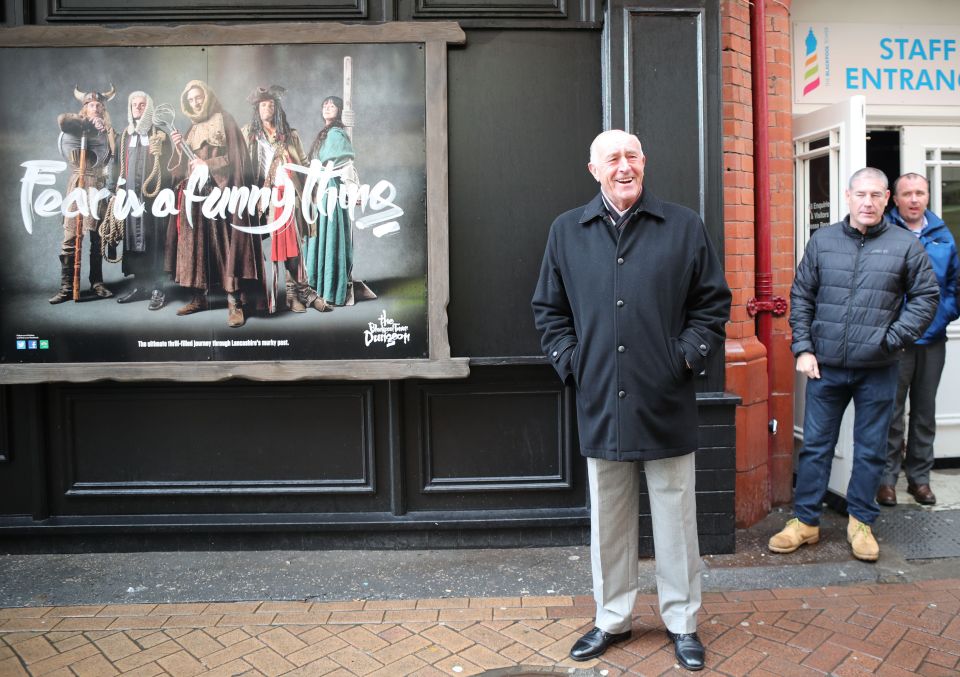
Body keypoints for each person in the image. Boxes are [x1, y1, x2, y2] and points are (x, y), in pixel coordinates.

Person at [532, 130, 731, 671]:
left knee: (675, 517)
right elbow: (548, 310)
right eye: (612, 158)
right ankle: (613, 618)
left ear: (645, 163)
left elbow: (712, 303)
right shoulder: (567, 231)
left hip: (666, 394)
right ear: (593, 168)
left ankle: (683, 621)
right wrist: (572, 361)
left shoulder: (683, 225)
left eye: (633, 157)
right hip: (600, 397)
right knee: (609, 520)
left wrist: (685, 357)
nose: (624, 167)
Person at [769, 167, 939, 563]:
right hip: (824, 366)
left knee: (870, 450)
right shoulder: (823, 241)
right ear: (847, 197)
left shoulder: (904, 245)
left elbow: (926, 297)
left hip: (878, 367)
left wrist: (893, 339)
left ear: (886, 200)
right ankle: (806, 522)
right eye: (861, 194)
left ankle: (861, 522)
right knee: (815, 447)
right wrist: (804, 348)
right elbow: (803, 296)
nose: (868, 202)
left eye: (877, 195)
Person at [877, 173, 960, 507]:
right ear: (894, 200)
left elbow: (954, 287)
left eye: (920, 193)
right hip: (895, 340)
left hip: (933, 339)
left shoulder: (943, 236)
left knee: (925, 412)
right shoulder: (885, 232)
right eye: (907, 194)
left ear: (928, 197)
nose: (914, 199)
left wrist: (939, 317)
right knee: (891, 413)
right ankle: (886, 480)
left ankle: (920, 479)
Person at [164, 80, 263, 328]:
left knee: (226, 245)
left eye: (199, 97)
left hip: (222, 194)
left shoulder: (225, 120)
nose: (196, 102)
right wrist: (179, 148)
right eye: (191, 100)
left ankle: (234, 302)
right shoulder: (191, 128)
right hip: (196, 198)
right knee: (197, 244)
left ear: (207, 97)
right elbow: (181, 170)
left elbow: (238, 159)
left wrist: (208, 165)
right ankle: (199, 298)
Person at [241, 85, 329, 314]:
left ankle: (296, 292)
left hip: (289, 195)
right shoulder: (248, 134)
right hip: (260, 198)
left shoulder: (291, 135)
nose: (266, 108)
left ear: (277, 108)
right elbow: (238, 164)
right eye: (262, 104)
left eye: (270, 104)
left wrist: (317, 185)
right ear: (256, 109)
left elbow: (304, 164)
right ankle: (259, 294)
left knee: (293, 246)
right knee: (254, 245)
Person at [305, 95, 375, 307]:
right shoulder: (325, 134)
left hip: (332, 192)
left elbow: (346, 164)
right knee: (319, 238)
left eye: (332, 105)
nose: (327, 107)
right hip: (320, 191)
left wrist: (354, 190)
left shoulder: (336, 133)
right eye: (324, 104)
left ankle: (332, 289)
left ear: (339, 111)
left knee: (331, 238)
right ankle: (319, 287)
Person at [49, 86, 116, 304]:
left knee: (97, 238)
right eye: (90, 105)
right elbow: (62, 120)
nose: (94, 107)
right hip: (77, 184)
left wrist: (102, 128)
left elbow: (113, 159)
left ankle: (97, 283)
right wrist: (87, 124)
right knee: (70, 237)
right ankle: (67, 286)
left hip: (97, 184)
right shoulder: (76, 126)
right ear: (84, 108)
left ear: (103, 108)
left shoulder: (108, 131)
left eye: (98, 105)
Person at [109, 91, 173, 310]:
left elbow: (172, 167)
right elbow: (116, 165)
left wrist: (162, 152)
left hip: (154, 198)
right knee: (134, 243)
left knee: (155, 241)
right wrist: (113, 189)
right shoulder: (124, 136)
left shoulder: (159, 134)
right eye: (134, 104)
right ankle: (141, 285)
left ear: (149, 107)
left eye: (142, 104)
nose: (137, 107)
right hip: (130, 199)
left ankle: (158, 288)